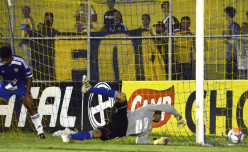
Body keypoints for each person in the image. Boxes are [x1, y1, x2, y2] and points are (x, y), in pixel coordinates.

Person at [54, 75, 186, 144]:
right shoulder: (148, 109)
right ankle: (89, 88)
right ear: (156, 113)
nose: (161, 116)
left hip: (120, 130)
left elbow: (140, 142)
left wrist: (156, 142)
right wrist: (178, 116)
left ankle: (69, 136)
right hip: (123, 117)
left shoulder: (149, 129)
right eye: (160, 114)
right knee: (122, 97)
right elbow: (167, 106)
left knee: (97, 133)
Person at [0, 46, 45, 139]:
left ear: (11, 56)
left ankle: (40, 132)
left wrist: (27, 94)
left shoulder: (20, 61)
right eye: (3, 60)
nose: (5, 62)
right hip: (5, 87)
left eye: (7, 59)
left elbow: (29, 77)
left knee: (30, 105)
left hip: (20, 86)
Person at [223, 6, 240, 80]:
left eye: (225, 14)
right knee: (228, 78)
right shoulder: (229, 26)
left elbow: (236, 42)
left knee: (232, 79)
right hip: (230, 55)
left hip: (233, 57)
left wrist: (230, 56)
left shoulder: (234, 26)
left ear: (227, 14)